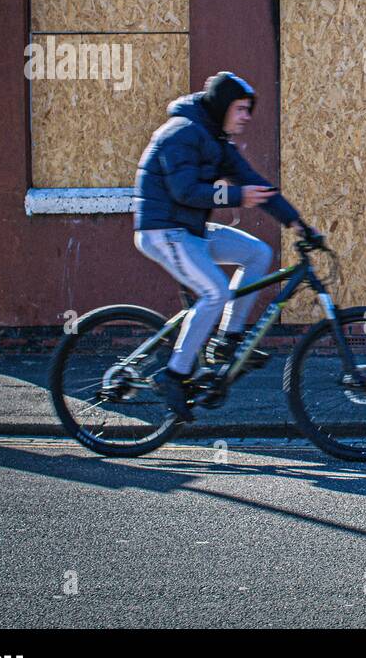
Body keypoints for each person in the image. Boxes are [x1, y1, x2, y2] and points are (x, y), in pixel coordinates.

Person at [133, 71, 322, 420]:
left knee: (258, 253)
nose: (247, 116)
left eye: (249, 109)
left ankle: (228, 339)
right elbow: (184, 191)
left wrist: (299, 224)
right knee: (216, 293)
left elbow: (256, 185)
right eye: (241, 108)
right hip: (163, 231)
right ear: (221, 107)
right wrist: (236, 195)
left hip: (189, 230)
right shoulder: (182, 132)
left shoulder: (216, 140)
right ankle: (174, 375)